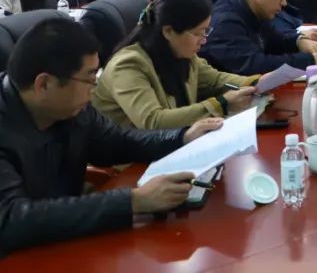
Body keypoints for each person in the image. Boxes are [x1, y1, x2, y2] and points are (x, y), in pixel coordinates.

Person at [0, 18, 224, 253]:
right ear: (44, 84)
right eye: (89, 79)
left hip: (63, 243)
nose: (94, 89)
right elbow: (11, 220)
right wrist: (132, 201)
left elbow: (119, 142)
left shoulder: (73, 111)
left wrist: (183, 137)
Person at [93, 0, 259, 129]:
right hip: (132, 155)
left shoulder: (181, 51)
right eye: (198, 33)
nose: (204, 40)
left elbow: (215, 80)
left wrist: (258, 83)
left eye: (206, 31)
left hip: (175, 144)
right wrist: (222, 104)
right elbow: (153, 121)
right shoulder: (127, 65)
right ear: (168, 31)